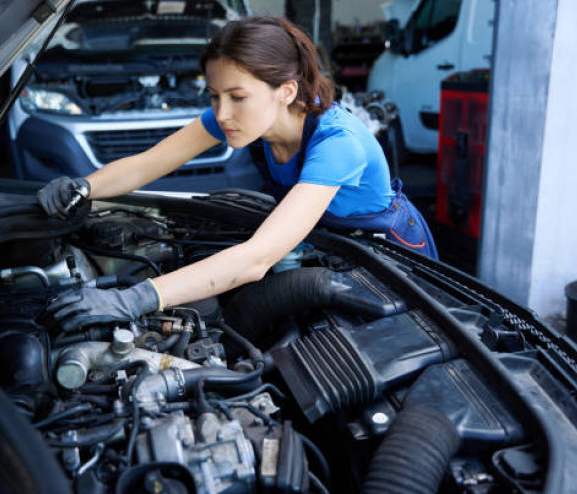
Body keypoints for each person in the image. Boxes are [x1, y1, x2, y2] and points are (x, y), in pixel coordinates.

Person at [38, 16, 437, 331]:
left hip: (391, 253)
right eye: (214, 95)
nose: (222, 113)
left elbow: (255, 259)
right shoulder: (246, 117)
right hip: (328, 242)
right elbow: (149, 163)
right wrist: (84, 187)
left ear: (286, 91)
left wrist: (131, 300)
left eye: (237, 97)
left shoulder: (337, 144)